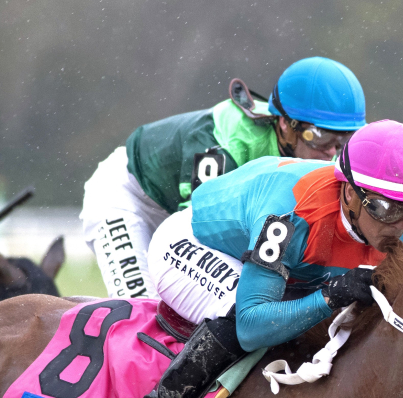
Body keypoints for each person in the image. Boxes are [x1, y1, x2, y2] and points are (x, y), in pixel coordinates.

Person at [113, 119, 403, 398]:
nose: (399, 227)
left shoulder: (387, 227)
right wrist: (330, 296)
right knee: (251, 313)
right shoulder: (289, 214)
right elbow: (252, 326)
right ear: (349, 193)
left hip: (270, 249)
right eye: (386, 210)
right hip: (188, 243)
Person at [80, 56, 367, 301]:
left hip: (175, 205)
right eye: (321, 136)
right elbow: (193, 234)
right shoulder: (226, 142)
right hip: (125, 197)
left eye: (344, 139)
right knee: (142, 306)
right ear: (284, 123)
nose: (332, 150)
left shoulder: (325, 154)